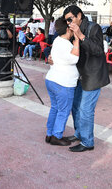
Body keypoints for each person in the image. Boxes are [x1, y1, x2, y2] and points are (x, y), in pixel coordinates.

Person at [62, 5, 110, 152]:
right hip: (79, 75)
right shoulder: (71, 29)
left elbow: (98, 50)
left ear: (79, 16)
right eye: (67, 21)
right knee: (75, 106)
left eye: (70, 19)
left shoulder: (93, 28)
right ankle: (79, 134)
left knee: (85, 109)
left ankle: (88, 142)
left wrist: (81, 36)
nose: (69, 22)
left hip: (93, 75)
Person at [45, 17, 80, 146]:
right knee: (63, 111)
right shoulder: (66, 43)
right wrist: (76, 40)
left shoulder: (57, 40)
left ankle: (50, 134)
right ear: (67, 28)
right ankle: (56, 135)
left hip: (52, 80)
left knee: (55, 108)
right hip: (63, 83)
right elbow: (74, 59)